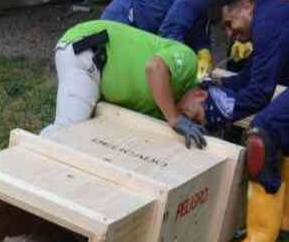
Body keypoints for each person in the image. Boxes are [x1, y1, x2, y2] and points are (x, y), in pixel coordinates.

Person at [182, 0, 289, 242]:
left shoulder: (268, 24)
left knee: (264, 132)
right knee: (281, 123)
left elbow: (258, 94)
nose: (229, 34)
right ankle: (284, 219)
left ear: (246, 6)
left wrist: (212, 111)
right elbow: (247, 79)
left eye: (230, 24)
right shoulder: (270, 15)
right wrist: (213, 86)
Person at [41, 19, 208, 148]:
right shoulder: (188, 62)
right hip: (87, 51)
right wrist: (174, 118)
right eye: (196, 117)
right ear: (200, 95)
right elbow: (155, 68)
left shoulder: (167, 105)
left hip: (96, 72)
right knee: (68, 132)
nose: (188, 122)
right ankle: (28, 168)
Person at [101, 0, 222, 80]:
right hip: (123, 19)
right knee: (117, 79)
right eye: (227, 25)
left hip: (134, 22)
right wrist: (186, 69)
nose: (228, 32)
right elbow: (170, 32)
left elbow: (194, 27)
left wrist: (203, 50)